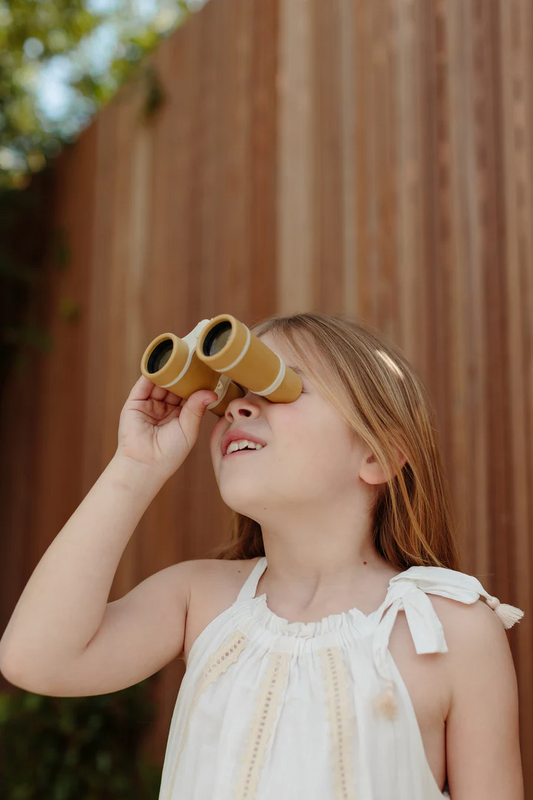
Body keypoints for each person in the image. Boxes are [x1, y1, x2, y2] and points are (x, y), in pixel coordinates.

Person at [0, 312, 524, 800]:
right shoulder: (199, 599)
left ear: (377, 455)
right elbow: (37, 659)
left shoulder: (450, 629)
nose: (237, 409)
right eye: (235, 395)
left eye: (280, 386)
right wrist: (137, 465)